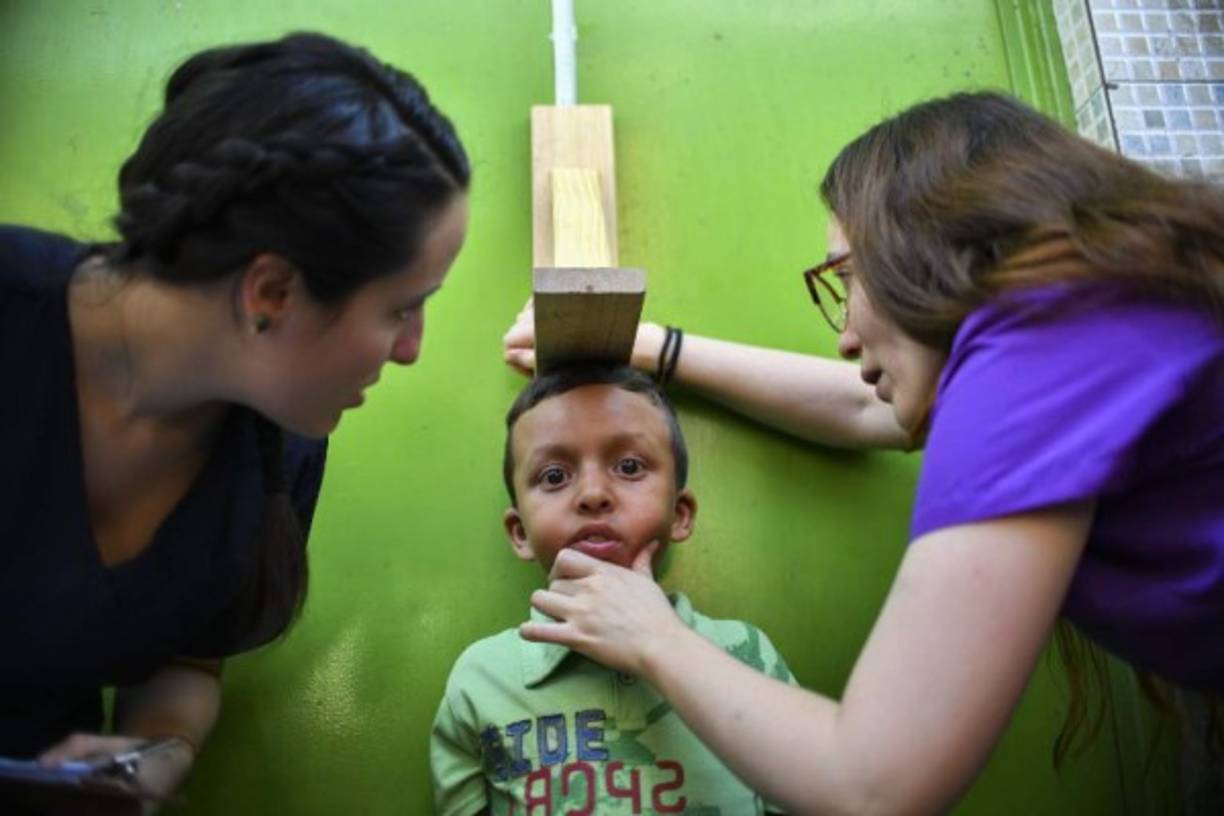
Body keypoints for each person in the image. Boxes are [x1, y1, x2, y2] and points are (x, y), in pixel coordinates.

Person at [503, 91, 1224, 813]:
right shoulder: (1092, 328)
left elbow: (873, 785)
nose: (844, 334)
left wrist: (651, 634)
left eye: (845, 279)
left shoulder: (1039, 354)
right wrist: (652, 347)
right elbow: (859, 404)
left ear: (930, 250)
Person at [0, 31, 469, 807]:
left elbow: (188, 663)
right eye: (403, 307)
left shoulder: (282, 441)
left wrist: (151, 758)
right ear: (271, 293)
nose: (412, 349)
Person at [430, 363, 797, 815]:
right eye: (554, 476)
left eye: (629, 466)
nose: (593, 494)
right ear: (519, 532)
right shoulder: (481, 680)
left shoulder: (746, 655)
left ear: (680, 514)